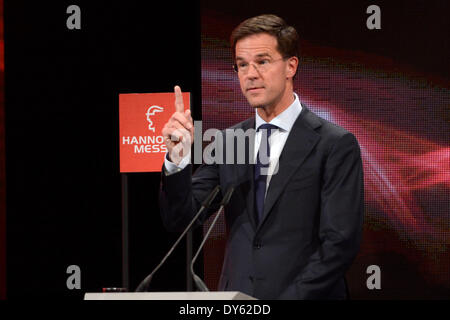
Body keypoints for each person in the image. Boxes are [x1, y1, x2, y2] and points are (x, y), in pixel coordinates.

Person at [159, 14, 364, 299]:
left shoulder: (334, 144)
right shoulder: (230, 141)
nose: (250, 73)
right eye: (242, 65)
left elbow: (339, 244)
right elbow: (181, 220)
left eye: (262, 62)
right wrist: (178, 159)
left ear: (291, 65)